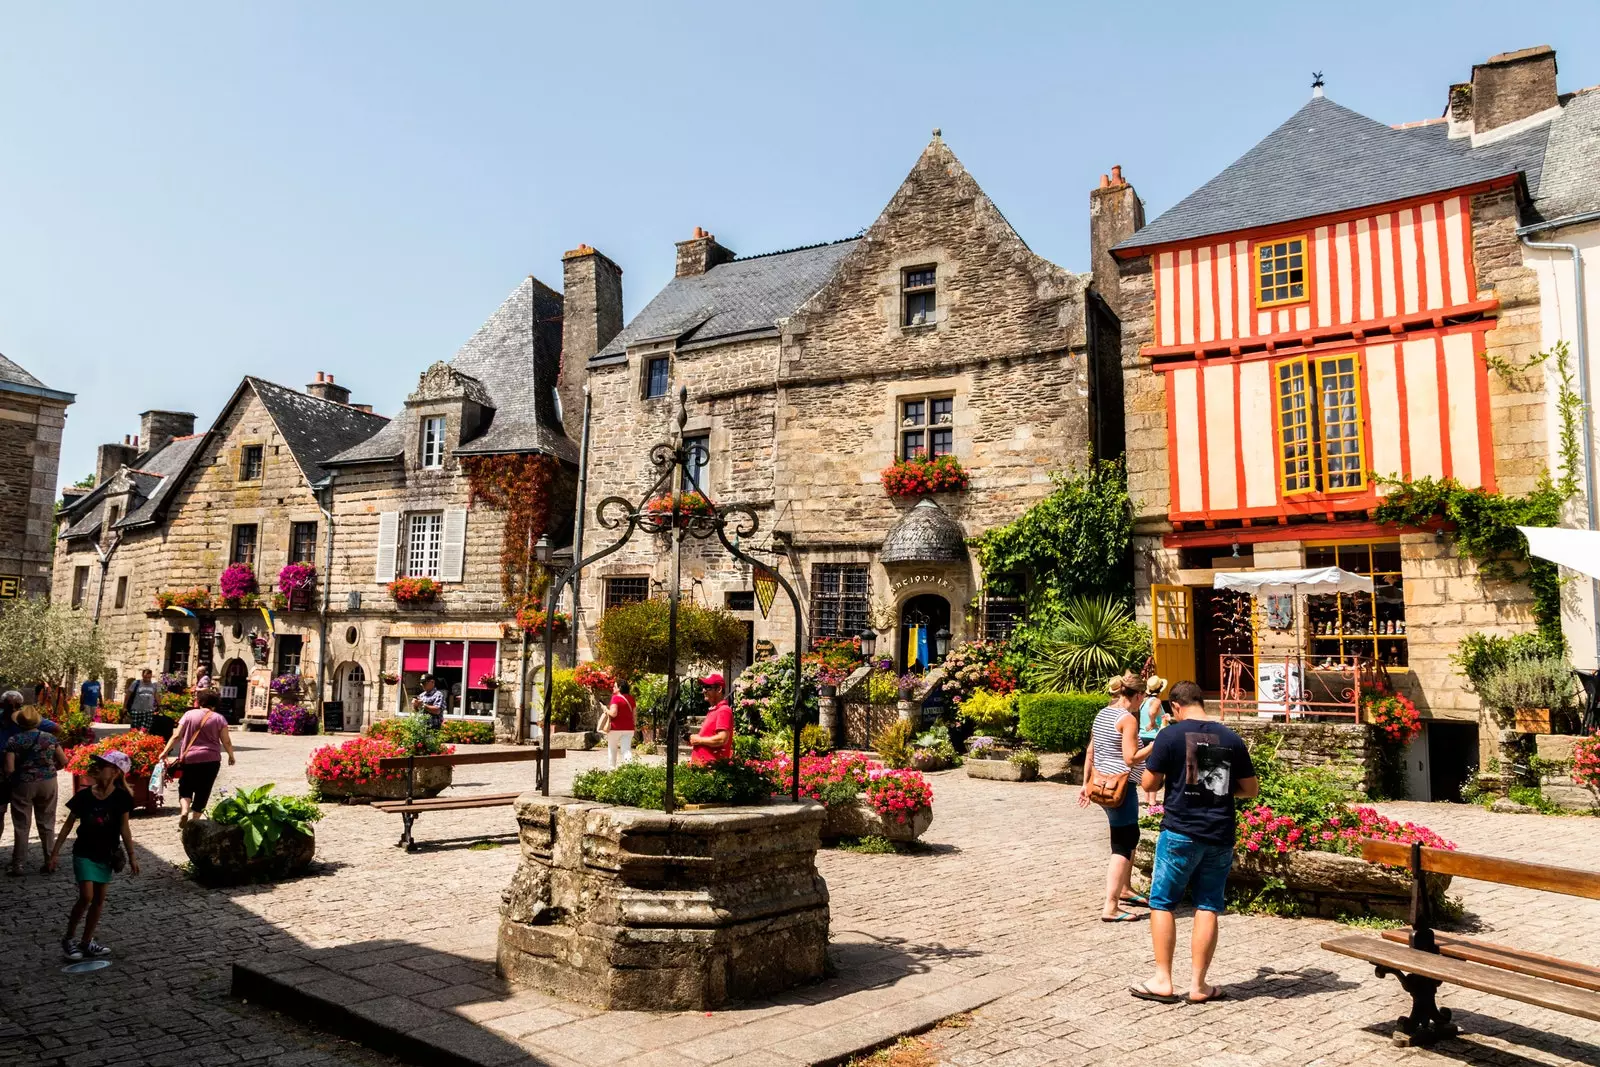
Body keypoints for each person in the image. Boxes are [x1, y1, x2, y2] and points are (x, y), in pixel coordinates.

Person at [1131, 681, 1259, 1005]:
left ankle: (1163, 980)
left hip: (1179, 832)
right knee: (1208, 905)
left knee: (1162, 902)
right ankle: (1199, 985)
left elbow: (1148, 781)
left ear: (1175, 706)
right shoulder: (1230, 738)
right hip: (1219, 833)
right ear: (1202, 702)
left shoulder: (1169, 735)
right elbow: (1250, 789)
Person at [47, 749, 140, 961]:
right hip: (84, 852)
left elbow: (125, 828)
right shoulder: (84, 796)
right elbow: (68, 825)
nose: (97, 768)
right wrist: (54, 853)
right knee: (86, 896)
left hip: (106, 855)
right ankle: (69, 938)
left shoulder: (121, 798)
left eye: (103, 765)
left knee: (99, 900)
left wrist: (132, 856)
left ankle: (86, 941)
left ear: (116, 772)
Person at [1080, 671, 1154, 923]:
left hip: (1101, 786)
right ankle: (1110, 906)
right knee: (1122, 845)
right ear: (1139, 696)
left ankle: (1125, 888)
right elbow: (1130, 758)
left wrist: (1084, 783)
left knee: (1128, 836)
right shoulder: (1127, 719)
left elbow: (1091, 750)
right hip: (1121, 789)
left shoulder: (1103, 713)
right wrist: (1157, 743)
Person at [158, 688, 235, 826]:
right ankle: (195, 822)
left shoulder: (189, 715)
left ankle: (184, 810)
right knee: (204, 789)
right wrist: (231, 755)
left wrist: (165, 751)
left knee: (185, 786)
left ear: (200, 701)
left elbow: (176, 736)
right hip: (211, 759)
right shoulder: (219, 719)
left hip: (190, 758)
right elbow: (226, 741)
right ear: (215, 704)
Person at [6, 705, 66, 875]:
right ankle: (50, 861)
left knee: (21, 825)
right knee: (47, 822)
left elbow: (9, 768)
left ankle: (18, 865)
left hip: (23, 784)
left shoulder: (14, 740)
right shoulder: (50, 738)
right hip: (48, 782)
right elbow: (64, 760)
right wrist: (49, 770)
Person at [688, 673, 734, 765]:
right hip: (703, 768)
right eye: (703, 687)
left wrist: (699, 740)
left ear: (719, 689)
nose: (703, 690)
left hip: (712, 770)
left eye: (707, 687)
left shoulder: (723, 711)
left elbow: (722, 739)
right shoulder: (714, 710)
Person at [1137, 675, 1168, 807]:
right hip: (1154, 737)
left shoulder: (1143, 701)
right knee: (1155, 768)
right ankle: (1152, 799)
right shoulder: (1156, 701)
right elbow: (1152, 711)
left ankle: (1147, 796)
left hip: (1142, 735)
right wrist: (1152, 722)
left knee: (1145, 767)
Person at [602, 681, 636, 769]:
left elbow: (613, 713)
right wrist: (634, 726)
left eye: (615, 686)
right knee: (626, 750)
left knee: (612, 749)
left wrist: (606, 710)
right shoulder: (631, 698)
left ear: (619, 688)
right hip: (628, 728)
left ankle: (612, 769)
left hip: (615, 728)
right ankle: (629, 769)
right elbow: (634, 715)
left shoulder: (615, 698)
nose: (613, 688)